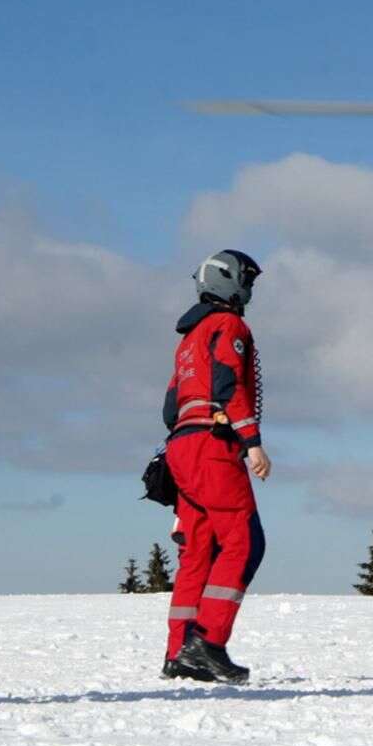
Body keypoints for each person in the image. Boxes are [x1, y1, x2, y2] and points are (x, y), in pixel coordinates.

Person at [161, 250, 271, 684]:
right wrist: (252, 443)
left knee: (198, 552)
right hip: (212, 444)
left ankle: (178, 650)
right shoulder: (229, 325)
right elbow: (227, 382)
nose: (250, 290)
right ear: (229, 280)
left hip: (181, 446)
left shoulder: (187, 339)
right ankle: (207, 643)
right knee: (245, 541)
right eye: (248, 280)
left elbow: (171, 407)